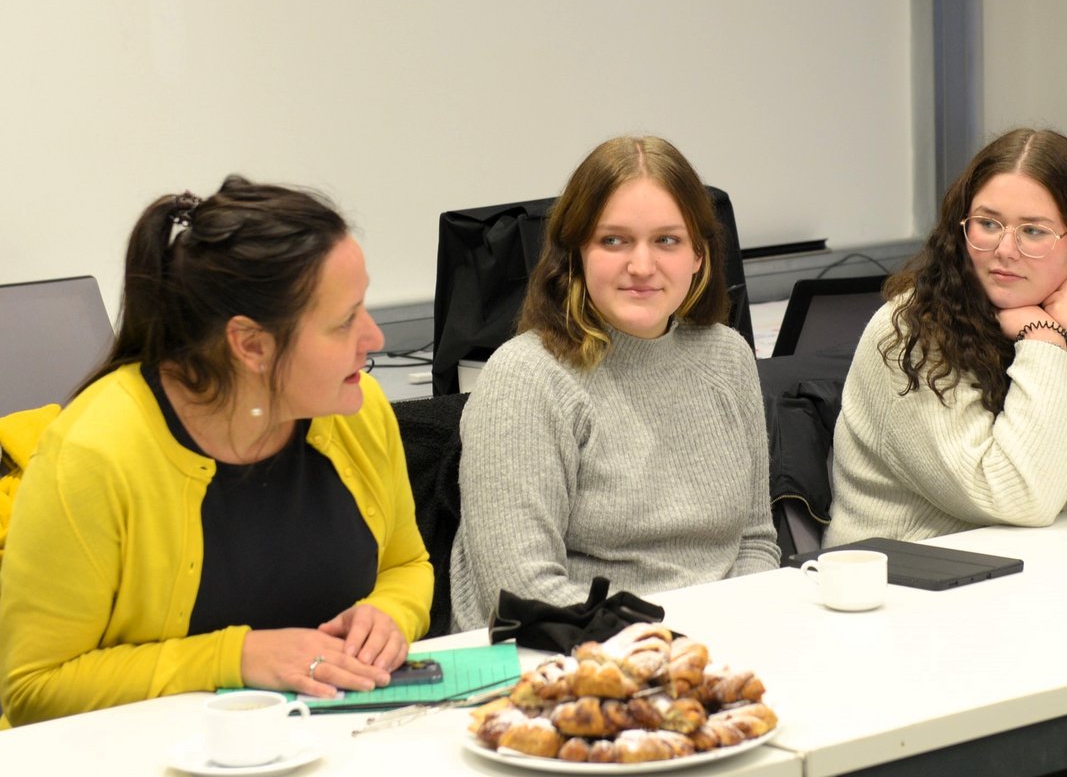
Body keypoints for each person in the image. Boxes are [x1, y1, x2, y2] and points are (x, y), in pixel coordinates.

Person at [0, 177, 433, 727]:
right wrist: (237, 658)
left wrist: (388, 614)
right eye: (344, 321)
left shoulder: (358, 409)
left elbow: (407, 564)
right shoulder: (95, 454)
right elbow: (33, 689)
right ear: (251, 344)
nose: (374, 337)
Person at [448, 135, 780, 631]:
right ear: (576, 251)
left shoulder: (728, 357)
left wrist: (738, 630)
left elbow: (755, 541)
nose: (642, 266)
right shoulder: (526, 378)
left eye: (667, 240)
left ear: (699, 256)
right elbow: (521, 590)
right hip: (568, 660)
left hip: (716, 645)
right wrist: (669, 647)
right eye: (614, 240)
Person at [826, 128, 1067, 547]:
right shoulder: (910, 330)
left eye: (1034, 231)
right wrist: (1042, 340)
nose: (1005, 249)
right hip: (905, 589)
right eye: (988, 224)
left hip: (1044, 578)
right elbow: (1021, 498)